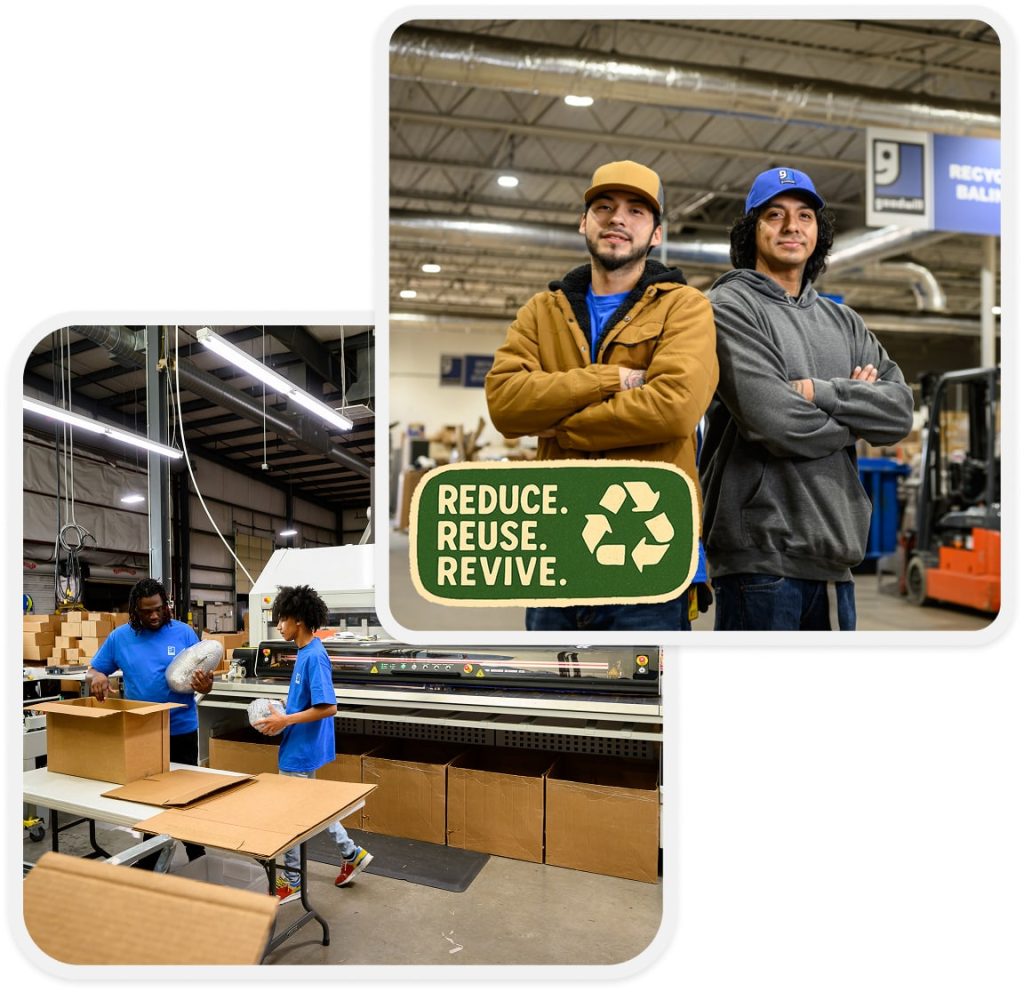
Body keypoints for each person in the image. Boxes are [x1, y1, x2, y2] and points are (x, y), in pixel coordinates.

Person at [484, 160, 719, 631]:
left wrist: (563, 427)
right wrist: (610, 379)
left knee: (647, 682)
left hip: (649, 550)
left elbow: (673, 409)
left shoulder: (685, 307)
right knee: (554, 681)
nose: (618, 219)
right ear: (584, 222)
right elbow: (505, 404)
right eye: (604, 207)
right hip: (557, 552)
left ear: (656, 233)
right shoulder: (541, 312)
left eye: (636, 211)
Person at [699, 166, 915, 630]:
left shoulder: (845, 322)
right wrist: (856, 419)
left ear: (818, 231)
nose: (791, 227)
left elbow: (899, 412)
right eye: (774, 215)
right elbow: (774, 421)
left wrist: (821, 392)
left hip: (835, 555)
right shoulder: (728, 307)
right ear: (752, 230)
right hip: (760, 558)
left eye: (804, 216)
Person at [251, 584, 373, 903]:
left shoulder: (314, 657)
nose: (278, 625)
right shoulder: (305, 652)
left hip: (300, 750)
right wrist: (283, 707)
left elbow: (329, 707)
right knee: (313, 808)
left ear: (299, 620)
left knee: (290, 816)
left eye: (282, 619)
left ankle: (292, 881)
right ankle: (352, 854)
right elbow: (307, 700)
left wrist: (284, 721)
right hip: (301, 745)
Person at [87, 577, 211, 861]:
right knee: (150, 797)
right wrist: (98, 677)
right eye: (146, 611)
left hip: (181, 729)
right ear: (135, 610)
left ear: (166, 605)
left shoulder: (183, 633)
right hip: (143, 733)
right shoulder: (120, 638)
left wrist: (205, 685)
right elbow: (94, 669)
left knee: (185, 794)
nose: (154, 616)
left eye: (158, 608)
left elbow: (204, 682)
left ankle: (196, 850)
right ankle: (151, 855)